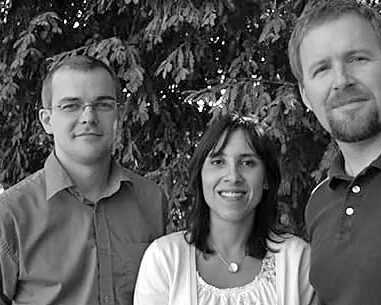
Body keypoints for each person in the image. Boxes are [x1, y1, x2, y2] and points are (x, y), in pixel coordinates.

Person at [288, 0, 381, 304]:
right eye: (322, 69)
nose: (341, 81)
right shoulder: (320, 203)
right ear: (305, 94)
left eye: (357, 58)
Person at [0, 55, 166, 304]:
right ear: (47, 120)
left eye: (102, 104)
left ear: (117, 115)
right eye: (70, 106)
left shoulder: (152, 201)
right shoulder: (11, 214)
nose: (88, 117)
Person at [133, 113, 317, 305]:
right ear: (200, 176)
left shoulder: (297, 259)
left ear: (266, 179)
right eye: (218, 162)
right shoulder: (165, 259)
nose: (233, 176)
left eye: (247, 163)